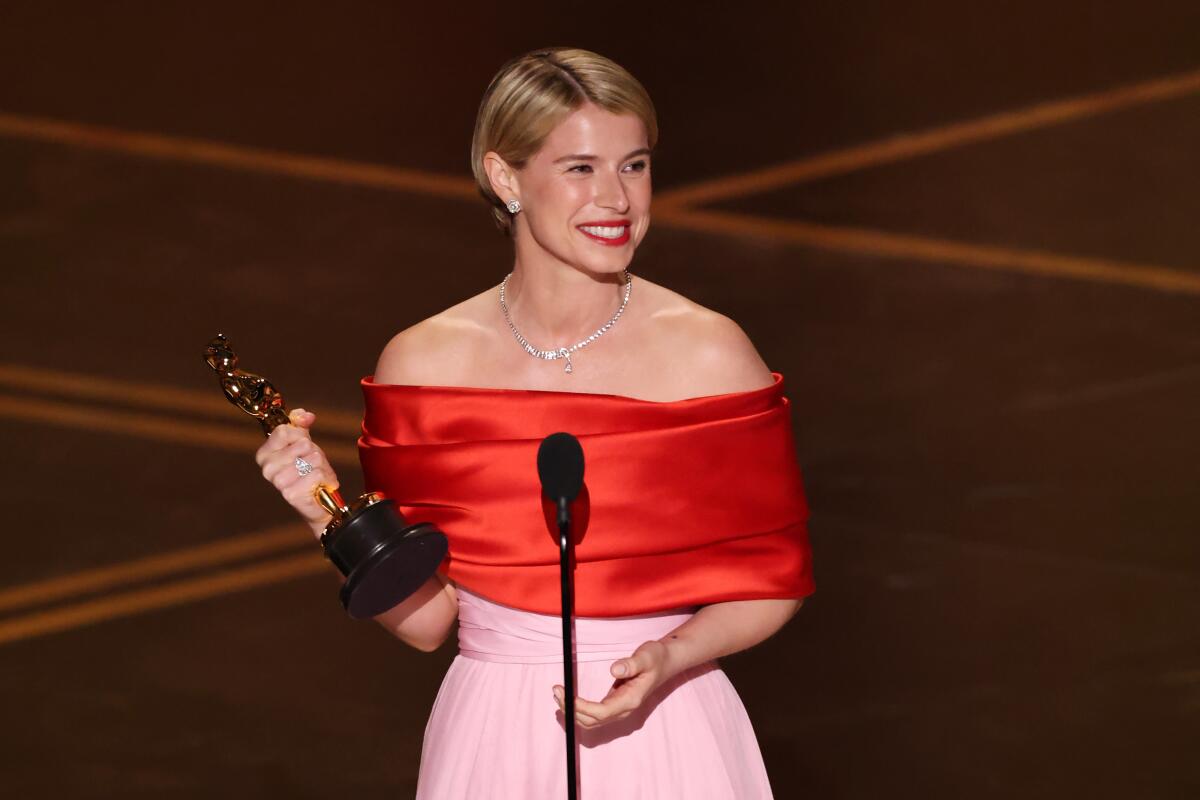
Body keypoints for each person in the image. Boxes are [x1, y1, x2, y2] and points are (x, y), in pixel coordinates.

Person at [255, 47, 814, 799]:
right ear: (505, 177)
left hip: (666, 724)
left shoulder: (710, 352)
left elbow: (774, 582)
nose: (617, 198)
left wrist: (674, 655)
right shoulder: (423, 365)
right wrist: (323, 510)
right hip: (492, 734)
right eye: (581, 169)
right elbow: (427, 622)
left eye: (636, 165)